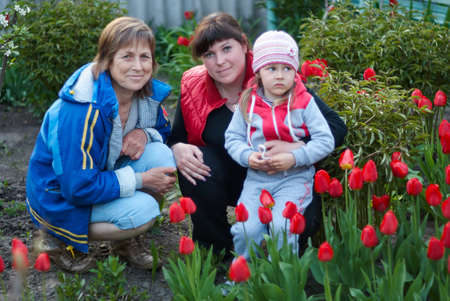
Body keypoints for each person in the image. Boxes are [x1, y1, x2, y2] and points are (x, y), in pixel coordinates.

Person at [167, 12, 347, 257]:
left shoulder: (273, 72)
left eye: (227, 49)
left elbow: (335, 126)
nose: (220, 61)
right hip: (236, 180)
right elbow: (177, 136)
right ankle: (217, 251)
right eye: (209, 54)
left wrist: (294, 149)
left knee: (292, 226)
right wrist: (177, 148)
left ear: (243, 44)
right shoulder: (193, 85)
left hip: (287, 175)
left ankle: (283, 268)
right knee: (194, 162)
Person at [26, 16, 177, 272]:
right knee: (143, 212)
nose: (138, 67)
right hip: (59, 194)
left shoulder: (146, 96)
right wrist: (142, 180)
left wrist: (143, 132)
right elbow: (77, 187)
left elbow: (163, 132)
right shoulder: (84, 109)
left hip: (100, 174)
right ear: (107, 60)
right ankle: (57, 236)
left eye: (145, 57)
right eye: (127, 56)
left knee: (161, 155)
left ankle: (125, 241)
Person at [225, 30, 334, 258]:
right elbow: (233, 138)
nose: (279, 75)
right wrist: (248, 156)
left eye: (287, 68)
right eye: (271, 68)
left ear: (295, 71)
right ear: (258, 72)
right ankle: (244, 278)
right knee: (247, 228)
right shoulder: (248, 103)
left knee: (282, 226)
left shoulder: (304, 102)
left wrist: (295, 158)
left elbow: (325, 140)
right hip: (257, 179)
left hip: (295, 178)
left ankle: (283, 279)